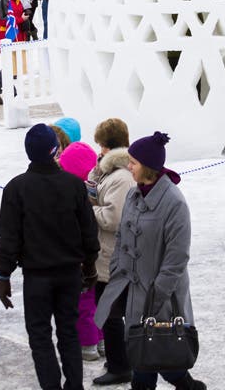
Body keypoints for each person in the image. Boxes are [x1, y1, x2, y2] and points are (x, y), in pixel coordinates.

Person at [93, 132, 204, 390]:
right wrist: (118, 267)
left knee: (155, 352)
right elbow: (122, 235)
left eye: (133, 162)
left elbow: (177, 256)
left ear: (149, 167)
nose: (128, 167)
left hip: (161, 295)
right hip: (134, 290)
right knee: (145, 353)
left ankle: (188, 385)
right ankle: (187, 385)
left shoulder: (174, 203)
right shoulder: (135, 195)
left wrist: (158, 293)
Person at [0, 124, 100, 390]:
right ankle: (74, 386)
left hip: (36, 276)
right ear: (55, 151)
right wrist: (89, 266)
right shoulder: (74, 185)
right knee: (68, 332)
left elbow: (9, 238)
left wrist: (4, 275)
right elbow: (89, 232)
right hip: (69, 274)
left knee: (40, 335)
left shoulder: (16, 188)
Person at [88, 119, 135, 387]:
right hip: (108, 254)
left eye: (100, 144)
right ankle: (119, 359)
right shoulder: (111, 171)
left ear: (106, 145)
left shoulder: (120, 177)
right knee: (110, 311)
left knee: (111, 313)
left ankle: (120, 366)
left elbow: (113, 218)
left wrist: (89, 209)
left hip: (112, 255)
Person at [57, 142, 103, 361]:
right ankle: (103, 340)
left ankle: (88, 344)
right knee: (99, 300)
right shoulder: (95, 187)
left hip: (80, 257)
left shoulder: (71, 193)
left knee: (83, 302)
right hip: (100, 256)